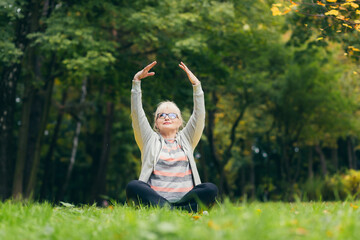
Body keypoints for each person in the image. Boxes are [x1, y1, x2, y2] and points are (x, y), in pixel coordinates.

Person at [126, 61, 218, 212]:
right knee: (133, 186)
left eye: (172, 115)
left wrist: (197, 86)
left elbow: (199, 116)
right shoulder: (149, 139)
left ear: (180, 121)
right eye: (161, 115)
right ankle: (173, 210)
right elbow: (137, 115)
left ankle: (172, 209)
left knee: (210, 188)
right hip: (156, 200)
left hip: (185, 199)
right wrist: (136, 82)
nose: (167, 117)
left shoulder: (187, 139)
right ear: (156, 123)